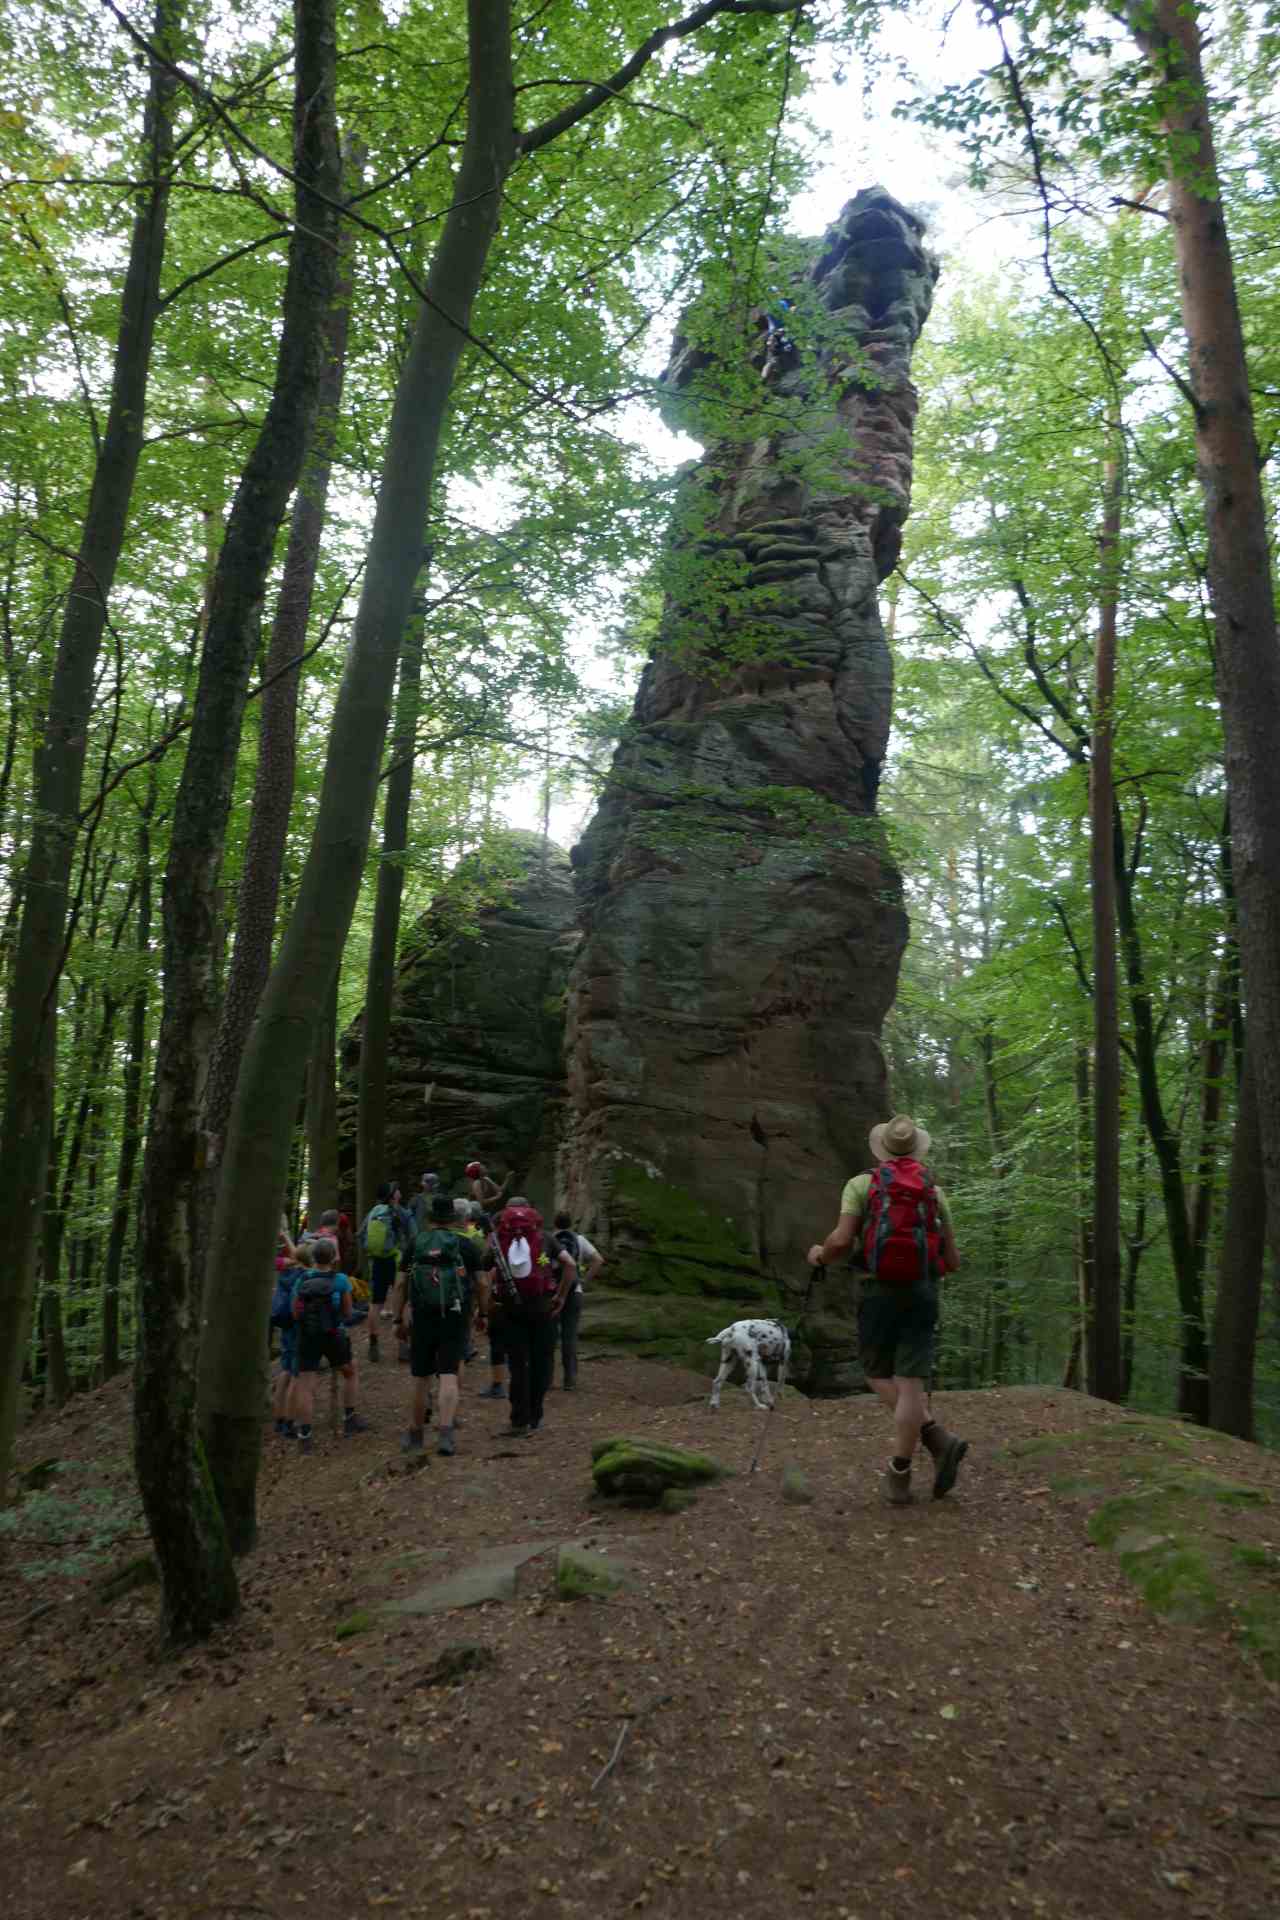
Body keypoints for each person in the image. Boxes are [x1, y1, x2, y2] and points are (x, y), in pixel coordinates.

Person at [808, 1113, 967, 1506]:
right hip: (922, 1292)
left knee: (876, 1373)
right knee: (911, 1383)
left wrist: (820, 1255)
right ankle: (913, 1461)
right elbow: (953, 1260)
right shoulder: (934, 1192)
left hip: (878, 1290)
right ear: (916, 1149)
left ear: (881, 1149)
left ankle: (925, 1451)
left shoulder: (861, 1185)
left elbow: (841, 1240)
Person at [396, 1192, 481, 1457]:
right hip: (455, 1315)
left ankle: (416, 1434)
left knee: (420, 1377)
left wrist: (398, 1317)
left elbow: (400, 1283)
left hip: (422, 1315)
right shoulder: (465, 1245)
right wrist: (482, 1312)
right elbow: (482, 1282)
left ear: (430, 1218)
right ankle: (445, 1434)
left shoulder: (416, 1243)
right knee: (448, 1374)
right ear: (454, 1219)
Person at [492, 1196, 575, 1437]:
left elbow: (486, 1270)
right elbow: (570, 1265)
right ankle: (536, 1415)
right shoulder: (546, 1238)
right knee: (542, 1361)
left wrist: (487, 1304)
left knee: (518, 1365)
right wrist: (561, 1296)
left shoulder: (499, 1239)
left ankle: (519, 1420)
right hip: (543, 1308)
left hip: (511, 1309)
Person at [288, 1238, 370, 1454]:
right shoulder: (341, 1280)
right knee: (350, 1372)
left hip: (307, 1337)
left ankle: (305, 1436)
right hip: (334, 1335)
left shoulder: (302, 1279)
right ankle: (350, 1419)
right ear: (333, 1258)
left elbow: (294, 1313)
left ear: (313, 1258)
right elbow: (348, 1312)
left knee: (306, 1385)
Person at [550, 1212, 603, 1391]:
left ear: (555, 1223)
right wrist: (583, 1281)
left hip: (552, 1292)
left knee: (548, 1336)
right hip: (574, 1291)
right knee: (569, 1336)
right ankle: (570, 1380)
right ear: (571, 1223)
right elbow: (598, 1260)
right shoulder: (579, 1240)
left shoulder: (548, 1239)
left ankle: (547, 1378)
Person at [359, 1183, 408, 1364]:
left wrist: (371, 1252)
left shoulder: (373, 1212)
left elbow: (361, 1234)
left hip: (377, 1262)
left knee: (375, 1303)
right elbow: (411, 1235)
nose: (400, 1192)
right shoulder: (400, 1212)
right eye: (397, 1190)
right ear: (393, 1196)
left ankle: (373, 1344)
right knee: (401, 1301)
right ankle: (402, 1346)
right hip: (396, 1261)